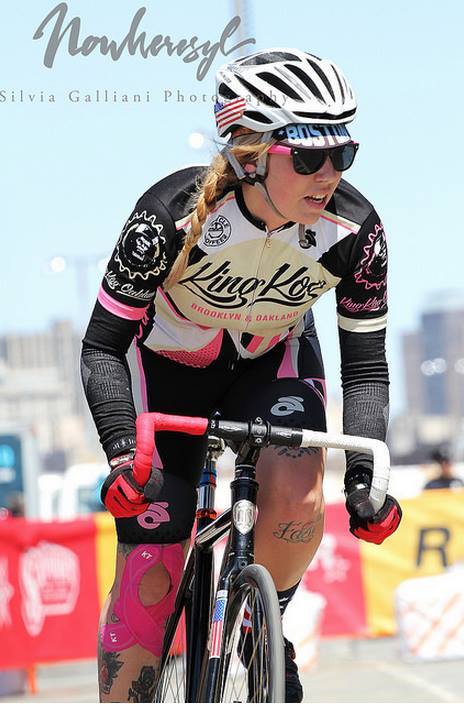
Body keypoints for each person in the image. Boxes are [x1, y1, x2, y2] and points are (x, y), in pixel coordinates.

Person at [81, 48, 402, 703]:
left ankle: (266, 625)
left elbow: (365, 367)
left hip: (269, 369)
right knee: (152, 579)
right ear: (251, 154)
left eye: (345, 154)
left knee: (298, 494)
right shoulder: (167, 217)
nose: (329, 174)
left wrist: (367, 483)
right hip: (170, 377)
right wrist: (121, 452)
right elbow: (101, 348)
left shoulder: (355, 230)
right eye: (310, 157)